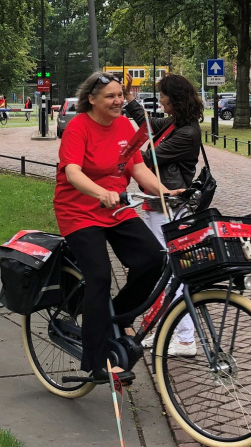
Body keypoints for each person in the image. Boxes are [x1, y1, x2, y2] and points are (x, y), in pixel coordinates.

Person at [54, 72, 180, 382]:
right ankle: (95, 360)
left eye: (120, 94)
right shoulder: (78, 127)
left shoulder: (125, 126)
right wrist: (101, 192)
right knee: (99, 275)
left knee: (154, 258)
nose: (118, 100)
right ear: (92, 100)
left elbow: (137, 167)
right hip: (79, 211)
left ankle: (116, 315)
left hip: (117, 210)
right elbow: (72, 172)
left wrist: (164, 192)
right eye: (110, 96)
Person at [124, 73, 203, 357]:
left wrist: (119, 150)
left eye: (163, 95)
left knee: (172, 274)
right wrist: (131, 100)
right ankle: (163, 328)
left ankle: (183, 339)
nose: (160, 100)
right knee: (165, 272)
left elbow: (149, 158)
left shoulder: (187, 133)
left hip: (169, 206)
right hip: (158, 204)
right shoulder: (175, 123)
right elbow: (149, 124)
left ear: (175, 98)